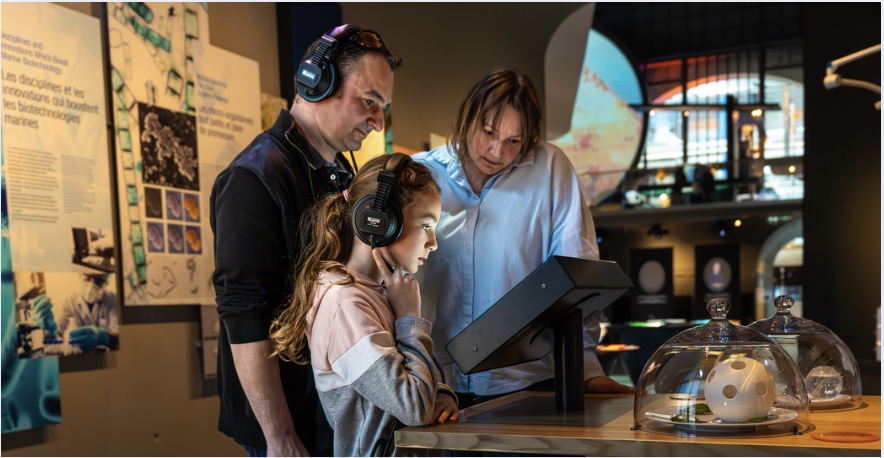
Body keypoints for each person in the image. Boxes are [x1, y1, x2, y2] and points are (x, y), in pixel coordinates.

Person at [210, 25, 401, 456]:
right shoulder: (253, 178)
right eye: (369, 101)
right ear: (317, 83)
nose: (378, 121)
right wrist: (278, 435)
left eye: (383, 107)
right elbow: (244, 315)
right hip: (288, 427)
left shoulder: (338, 173)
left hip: (326, 418)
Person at [413, 68, 635, 408]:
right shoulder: (423, 172)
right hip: (439, 386)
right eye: (488, 132)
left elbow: (577, 269)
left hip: (527, 381)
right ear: (467, 118)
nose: (496, 151)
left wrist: (585, 368)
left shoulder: (550, 169)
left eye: (513, 141)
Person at [270, 154, 458, 457]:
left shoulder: (378, 293)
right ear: (380, 222)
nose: (433, 242)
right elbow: (413, 407)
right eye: (426, 225)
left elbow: (417, 379)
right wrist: (410, 319)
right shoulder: (345, 304)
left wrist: (442, 395)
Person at [30, 273, 119, 353]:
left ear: (106, 283)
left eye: (99, 280)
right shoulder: (69, 301)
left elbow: (121, 338)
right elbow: (54, 340)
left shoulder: (112, 299)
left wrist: (103, 337)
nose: (92, 284)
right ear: (80, 276)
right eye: (87, 277)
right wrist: (50, 331)